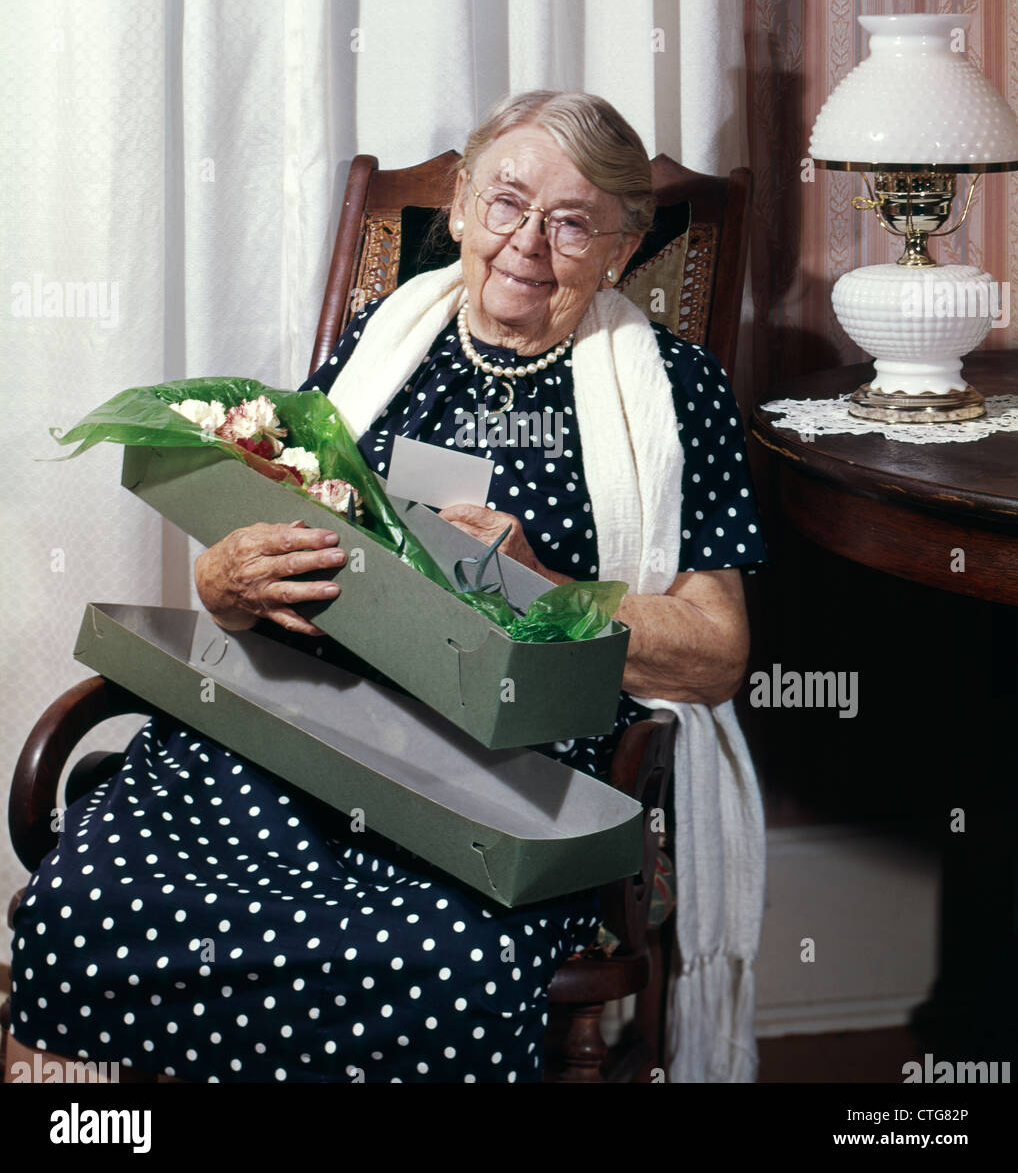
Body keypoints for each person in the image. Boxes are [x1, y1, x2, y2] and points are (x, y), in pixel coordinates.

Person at [7, 90, 766, 1084]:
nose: (528, 242)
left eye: (572, 221)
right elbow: (279, 530)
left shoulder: (677, 390)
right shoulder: (378, 345)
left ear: (620, 250)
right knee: (91, 900)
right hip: (299, 710)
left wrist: (546, 586)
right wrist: (225, 579)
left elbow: (717, 653)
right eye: (506, 202)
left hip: (506, 761)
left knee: (446, 963)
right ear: (458, 208)